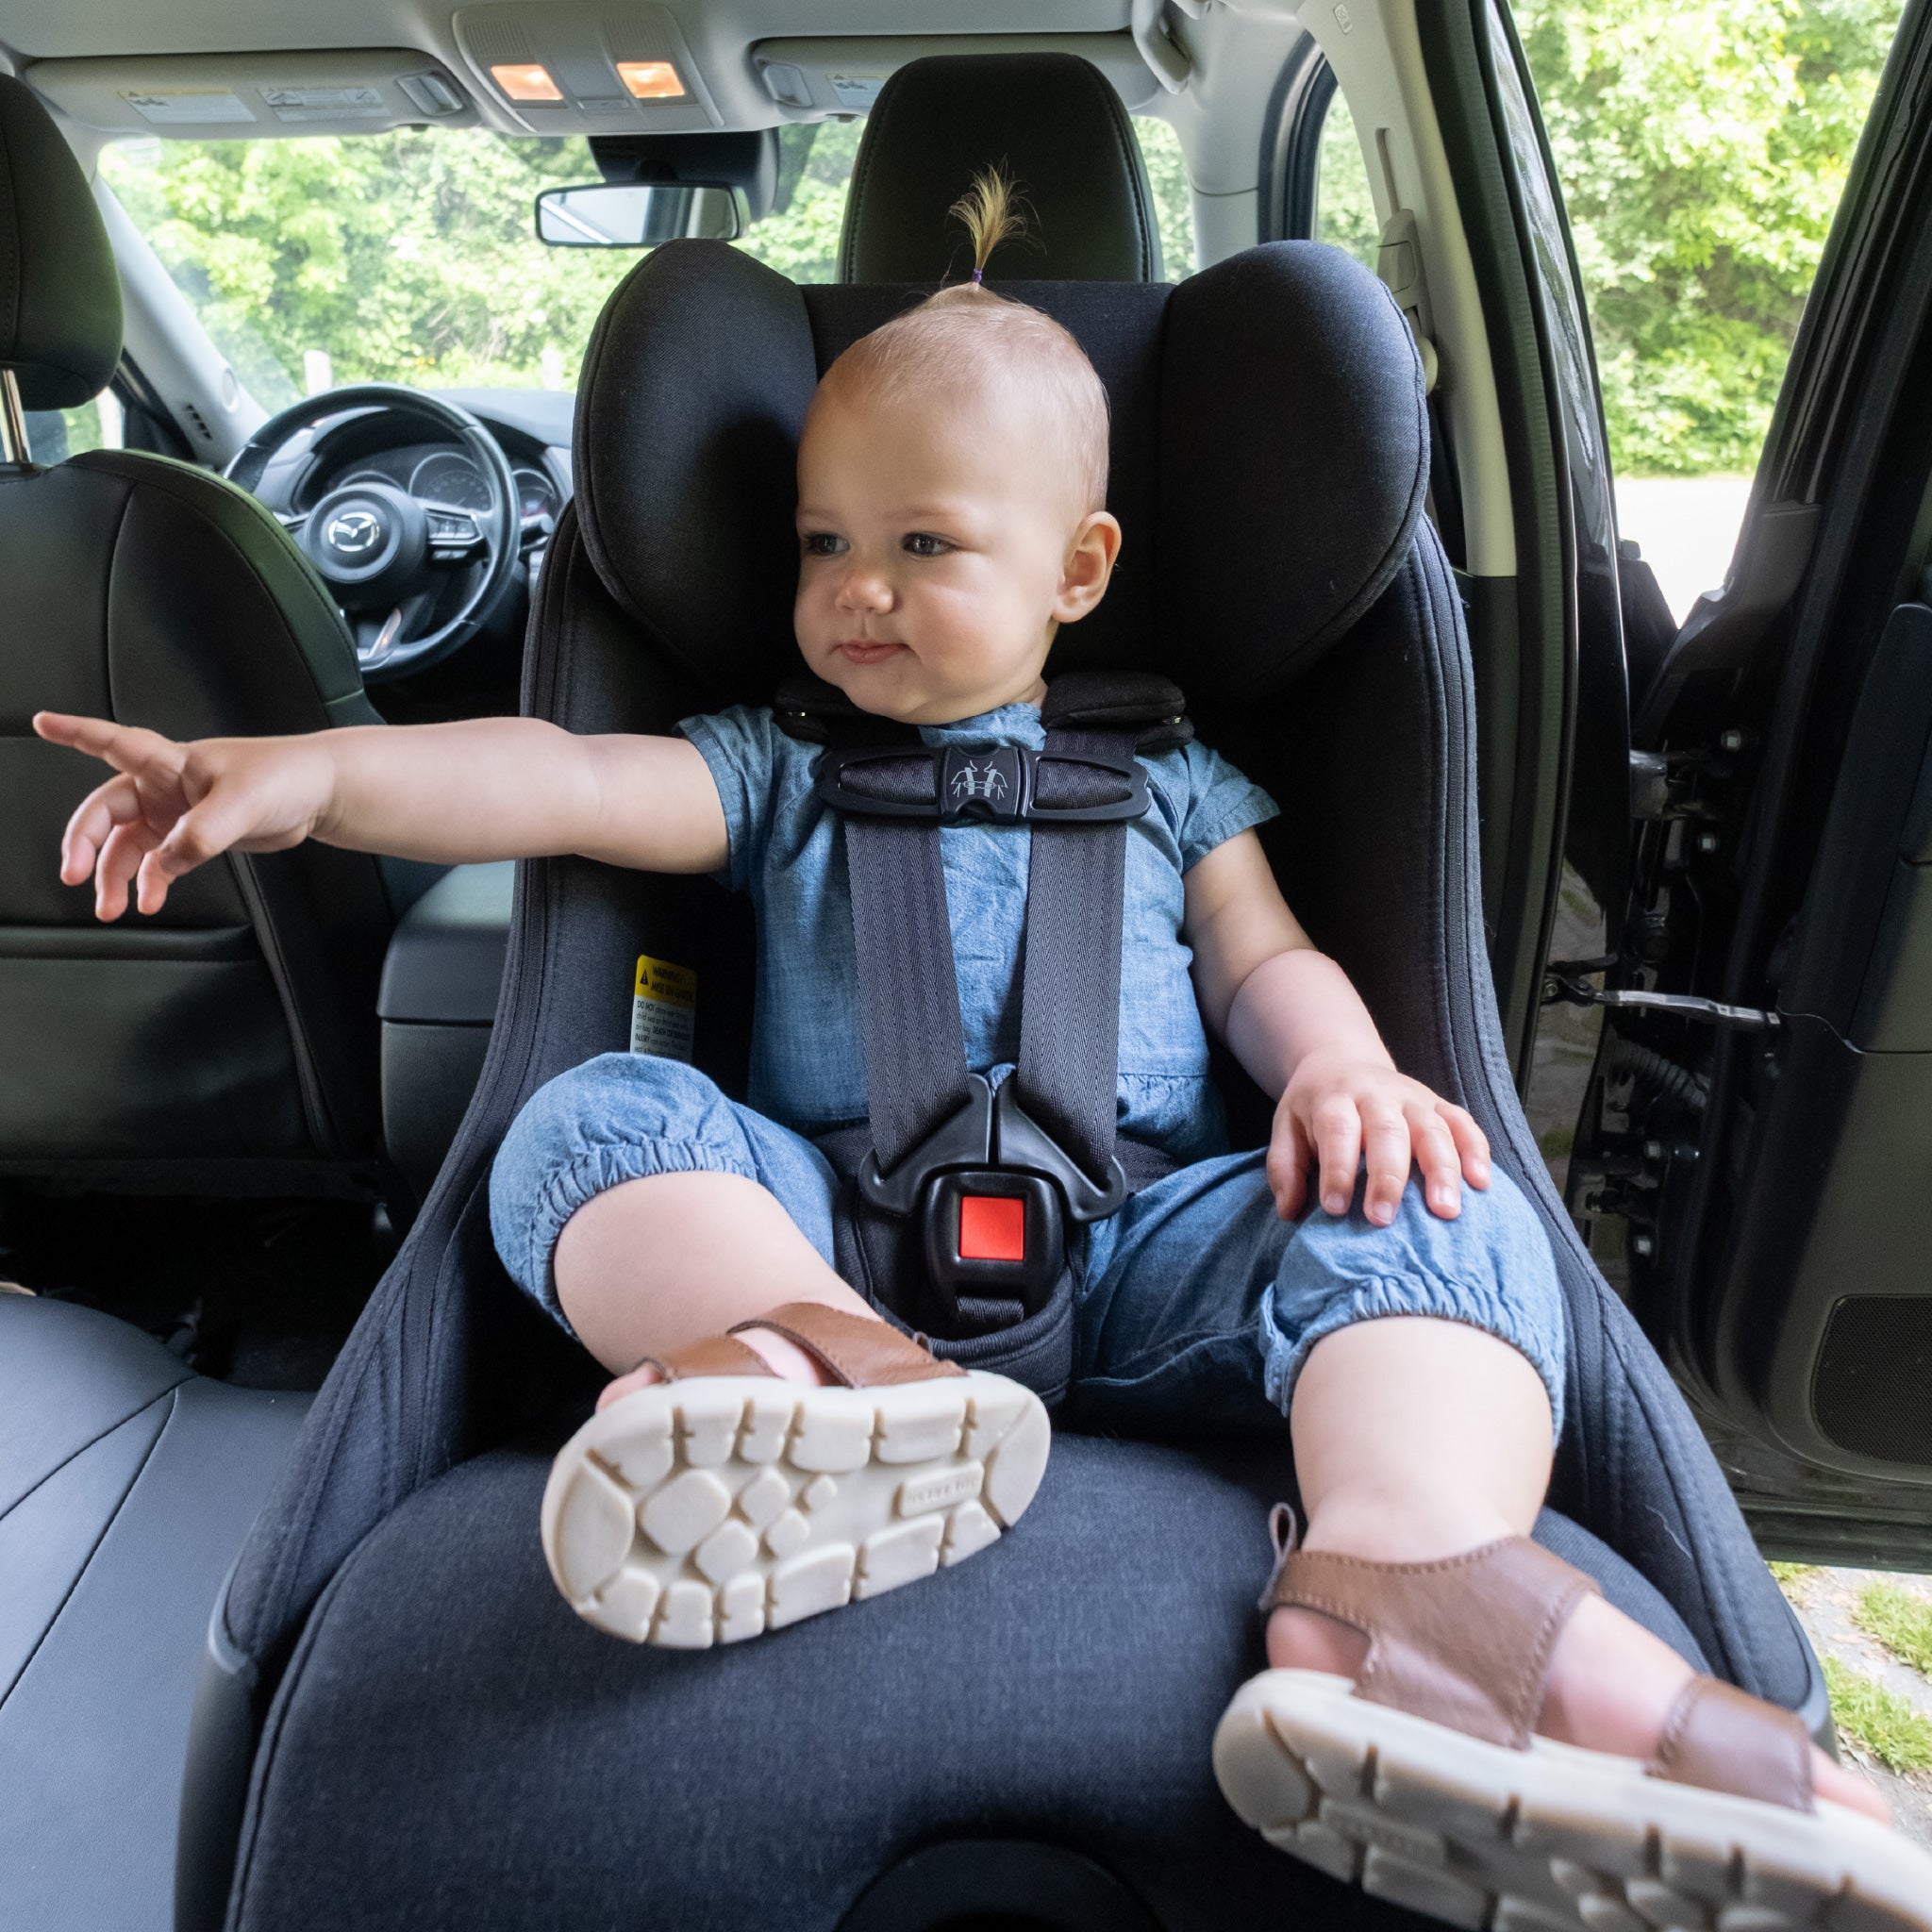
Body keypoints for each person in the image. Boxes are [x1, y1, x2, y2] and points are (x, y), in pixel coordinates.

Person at [37, 172, 1924, 1928]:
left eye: (923, 542)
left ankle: (1401, 1574)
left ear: (1078, 569)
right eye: (821, 542)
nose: (856, 584)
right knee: (591, 1124)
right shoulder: (772, 765)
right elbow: (560, 777)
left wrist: (1346, 1071)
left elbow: (1266, 962)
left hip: (1154, 1243)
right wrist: (305, 776)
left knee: (1438, 1207)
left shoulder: (1178, 788)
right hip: (834, 1236)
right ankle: (803, 1387)